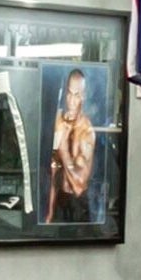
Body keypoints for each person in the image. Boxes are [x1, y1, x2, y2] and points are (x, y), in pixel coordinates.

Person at [46, 67, 98, 226]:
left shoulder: (87, 131)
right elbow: (54, 167)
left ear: (83, 96)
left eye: (76, 95)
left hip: (78, 205)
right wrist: (49, 213)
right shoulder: (59, 121)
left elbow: (79, 184)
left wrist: (63, 150)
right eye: (69, 93)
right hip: (61, 201)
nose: (71, 101)